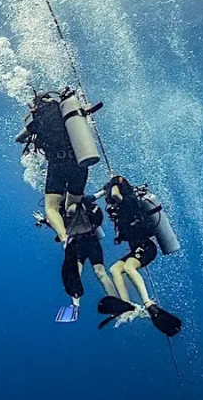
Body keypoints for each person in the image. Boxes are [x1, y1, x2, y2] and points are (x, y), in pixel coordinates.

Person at [97, 175, 182, 337]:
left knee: (129, 267)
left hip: (146, 247)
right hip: (138, 248)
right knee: (115, 269)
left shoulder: (127, 202)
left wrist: (115, 182)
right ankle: (127, 304)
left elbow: (116, 195)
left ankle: (148, 303)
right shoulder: (122, 208)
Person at [19, 90, 88, 247]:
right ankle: (80, 224)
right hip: (79, 161)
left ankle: (65, 237)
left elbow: (18, 139)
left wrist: (31, 130)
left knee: (51, 208)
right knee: (71, 206)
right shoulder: (66, 112)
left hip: (57, 164)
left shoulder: (37, 120)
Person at [34, 195, 118, 322]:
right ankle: (80, 305)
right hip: (84, 241)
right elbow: (61, 227)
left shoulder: (73, 204)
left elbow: (61, 226)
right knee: (90, 272)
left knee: (93, 272)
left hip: (85, 241)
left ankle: (109, 302)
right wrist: (45, 221)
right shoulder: (67, 207)